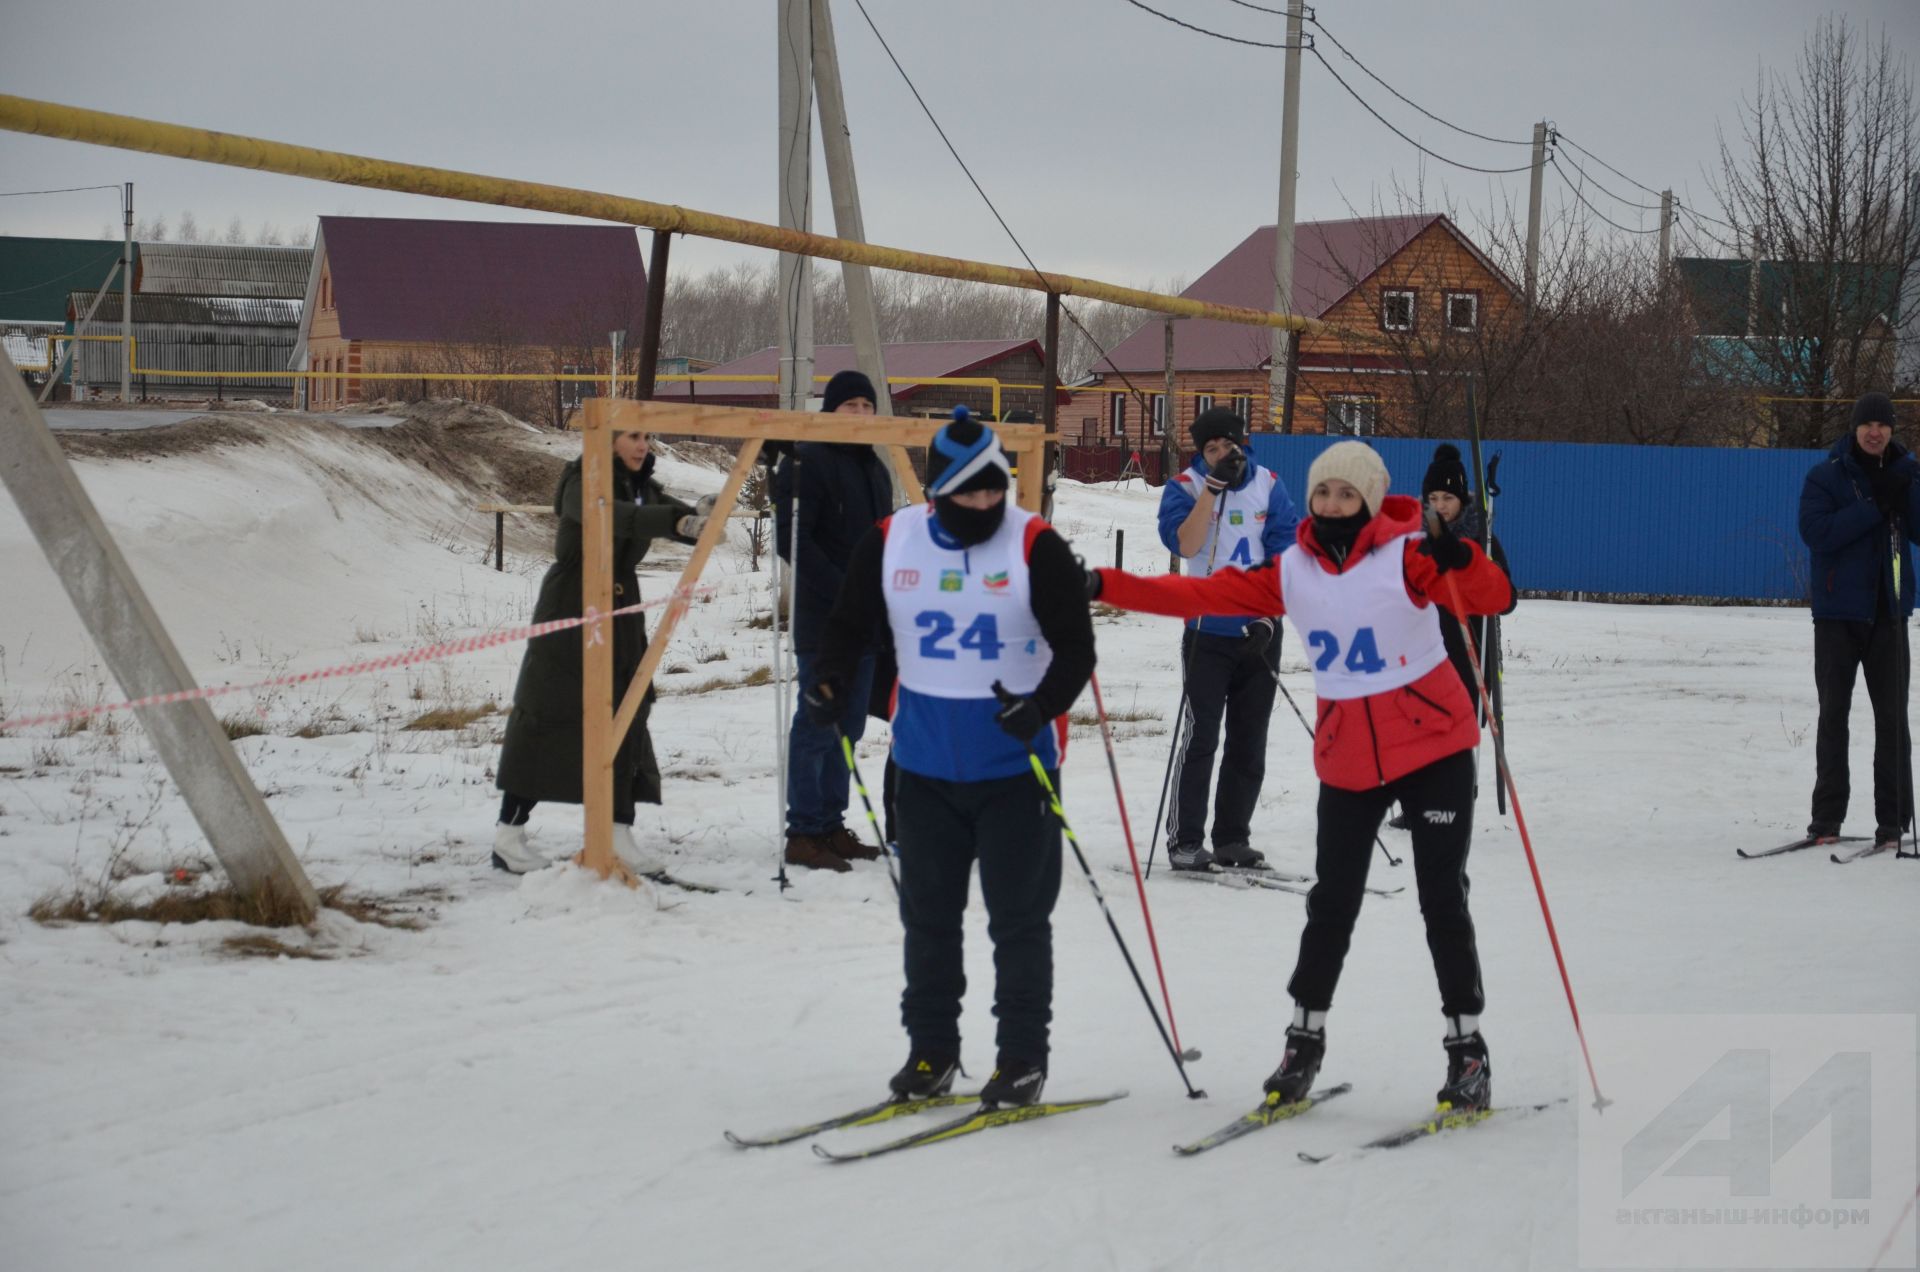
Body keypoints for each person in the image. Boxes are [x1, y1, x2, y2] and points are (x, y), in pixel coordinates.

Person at [1086, 440, 1513, 1111]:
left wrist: (1461, 556)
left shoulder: (1409, 556)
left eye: (1347, 493)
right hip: (1350, 759)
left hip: (1434, 749)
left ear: (1370, 498)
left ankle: (1468, 1050)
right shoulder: (1291, 571)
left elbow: (1493, 597)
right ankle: (1303, 1042)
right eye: (1324, 493)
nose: (1334, 504)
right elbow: (1197, 591)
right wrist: (1101, 584)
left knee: (1441, 900)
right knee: (1331, 903)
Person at [805, 408, 1096, 1108]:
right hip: (925, 768)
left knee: (1018, 922)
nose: (986, 502)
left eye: (994, 488)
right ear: (939, 492)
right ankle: (931, 1052)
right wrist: (828, 679)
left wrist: (1041, 706)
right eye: (969, 492)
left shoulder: (1035, 544)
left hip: (1014, 772)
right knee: (928, 919)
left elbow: (1077, 648)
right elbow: (847, 624)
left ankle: (1022, 1057)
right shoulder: (893, 538)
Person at [493, 429, 708, 875]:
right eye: (631, 436)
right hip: (573, 604)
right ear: (606, 441)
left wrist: (701, 517)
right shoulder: (582, 479)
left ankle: (617, 831)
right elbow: (609, 515)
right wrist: (675, 521)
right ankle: (509, 834)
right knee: (551, 712)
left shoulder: (642, 486)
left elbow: (678, 521)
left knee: (627, 713)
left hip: (622, 608)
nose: (642, 445)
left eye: (647, 436)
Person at [1155, 407, 1299, 870]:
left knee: (1249, 738)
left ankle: (1233, 836)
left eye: (1227, 447)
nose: (1220, 455)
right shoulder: (1185, 487)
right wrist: (1212, 489)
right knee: (1201, 738)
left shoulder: (1269, 485)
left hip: (1257, 631)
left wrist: (1268, 617)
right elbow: (1187, 545)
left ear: (1243, 445)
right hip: (1206, 632)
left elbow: (1284, 556)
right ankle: (1185, 842)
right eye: (1210, 449)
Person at [773, 369, 897, 872]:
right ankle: (803, 830)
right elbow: (794, 542)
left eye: (868, 407)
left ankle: (830, 823)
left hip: (867, 622)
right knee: (817, 722)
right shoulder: (809, 462)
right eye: (852, 407)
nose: (862, 416)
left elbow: (886, 540)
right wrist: (847, 593)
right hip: (825, 621)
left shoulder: (876, 468)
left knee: (849, 723)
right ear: (832, 412)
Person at [1798, 391, 1920, 853]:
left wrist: (1911, 487)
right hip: (1836, 616)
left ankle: (1892, 823)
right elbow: (1818, 534)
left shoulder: (1905, 474)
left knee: (1893, 721)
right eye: (1867, 425)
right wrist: (1874, 505)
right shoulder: (1826, 477)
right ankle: (1825, 818)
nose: (1875, 432)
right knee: (1834, 717)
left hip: (1888, 613)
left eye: (1883, 425)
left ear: (1892, 430)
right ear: (1854, 429)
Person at [1388, 444, 1517, 829]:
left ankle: (1452, 801)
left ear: (1461, 500)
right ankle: (1418, 804)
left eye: (1448, 498)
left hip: (1466, 647)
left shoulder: (1480, 541)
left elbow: (1507, 599)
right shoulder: (1412, 540)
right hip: (1420, 647)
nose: (1440, 506)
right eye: (1433, 498)